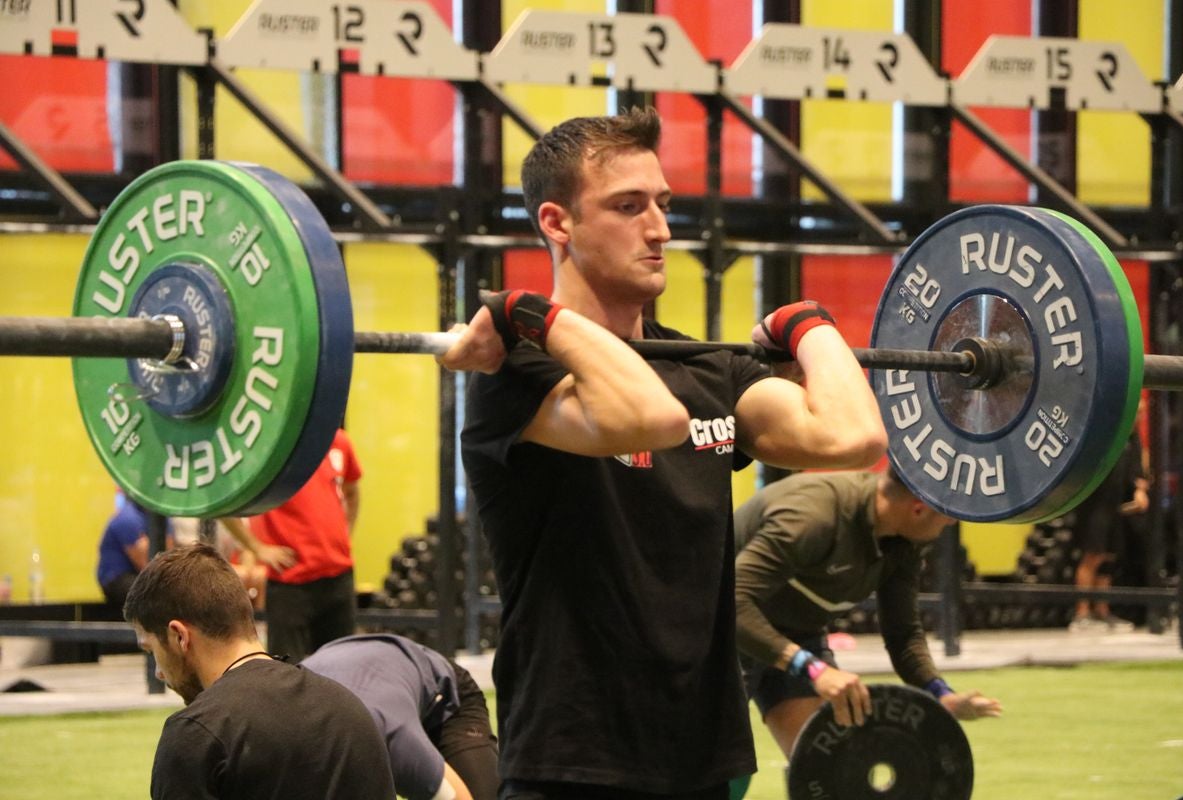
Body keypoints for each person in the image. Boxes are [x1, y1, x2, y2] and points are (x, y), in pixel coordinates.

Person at [440, 107, 886, 798]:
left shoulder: (710, 368)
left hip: (702, 756)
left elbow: (853, 437)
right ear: (558, 223)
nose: (659, 229)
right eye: (628, 206)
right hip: (573, 759)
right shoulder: (516, 372)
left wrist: (808, 324)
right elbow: (651, 418)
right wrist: (527, 315)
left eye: (662, 204)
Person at [733, 467, 1002, 761]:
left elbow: (903, 632)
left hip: (798, 630)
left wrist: (939, 693)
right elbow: (734, 601)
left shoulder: (905, 541)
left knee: (832, 767)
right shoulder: (813, 517)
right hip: (720, 629)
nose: (951, 522)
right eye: (948, 513)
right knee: (714, 772)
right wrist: (813, 669)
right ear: (918, 509)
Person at [122, 543, 395, 800]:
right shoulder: (349, 709)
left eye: (151, 651)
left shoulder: (197, 734)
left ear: (179, 636)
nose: (158, 672)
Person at [301, 633, 500, 800]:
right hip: (350, 664)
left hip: (442, 695)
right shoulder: (284, 736)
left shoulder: (396, 741)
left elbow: (460, 798)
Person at [221, 427, 362, 662]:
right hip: (290, 582)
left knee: (341, 668)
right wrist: (256, 548)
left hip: (339, 576)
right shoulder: (269, 440)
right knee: (287, 672)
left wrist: (344, 535)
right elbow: (225, 500)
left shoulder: (337, 440)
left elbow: (352, 491)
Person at [1068, 427, 1150, 633]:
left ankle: (1102, 612)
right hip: (1094, 505)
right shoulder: (1100, 430)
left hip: (1114, 505)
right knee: (1092, 557)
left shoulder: (1130, 436)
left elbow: (1138, 472)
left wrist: (1139, 490)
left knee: (1108, 560)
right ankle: (1082, 614)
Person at [96, 493, 170, 608]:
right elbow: (145, 564)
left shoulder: (162, 517)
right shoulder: (127, 518)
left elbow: (169, 555)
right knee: (157, 595)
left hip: (138, 574)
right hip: (117, 578)